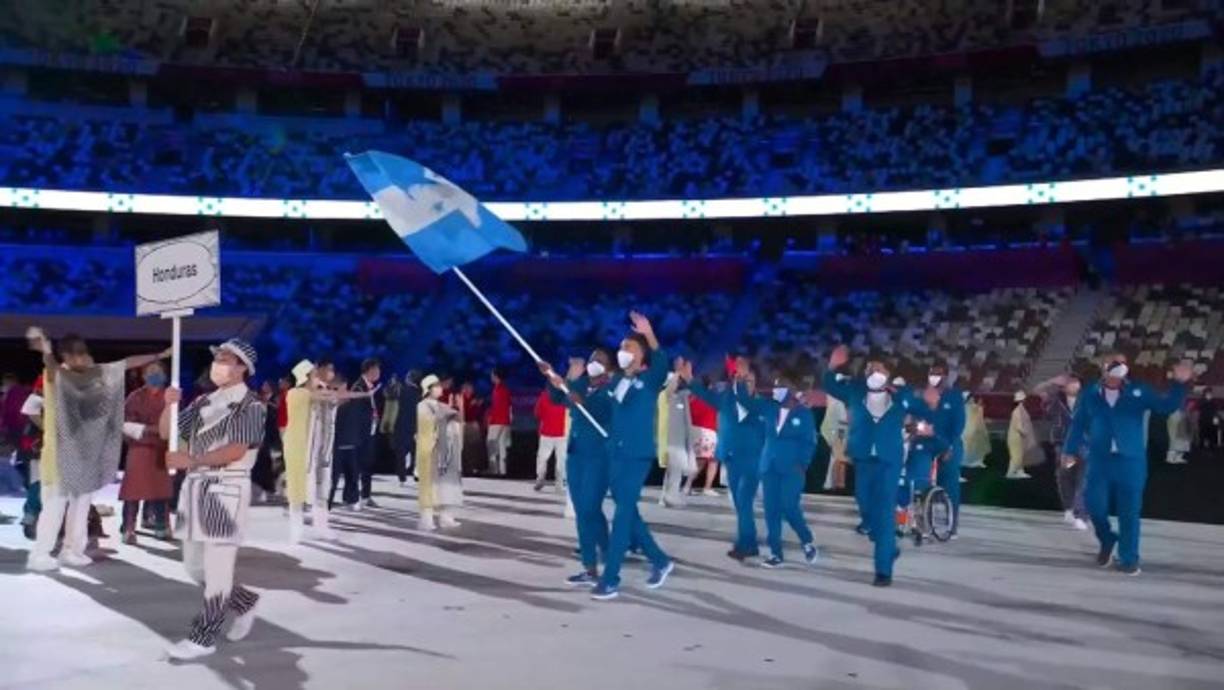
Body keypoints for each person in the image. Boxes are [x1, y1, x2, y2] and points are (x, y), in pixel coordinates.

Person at [25, 329, 169, 572]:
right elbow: (49, 368)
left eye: (84, 355)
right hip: (60, 456)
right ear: (66, 357)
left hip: (86, 456)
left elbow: (125, 363)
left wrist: (158, 355)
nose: (82, 360)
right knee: (55, 507)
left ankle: (72, 550)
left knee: (81, 507)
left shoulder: (94, 375)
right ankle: (40, 554)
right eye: (76, 356)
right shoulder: (56, 376)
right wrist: (46, 352)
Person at [159, 338, 267, 660]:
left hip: (226, 489)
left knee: (218, 570)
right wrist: (168, 404)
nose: (217, 364)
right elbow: (167, 433)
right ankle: (245, 602)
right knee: (194, 568)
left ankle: (203, 637)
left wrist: (190, 461)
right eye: (217, 358)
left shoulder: (253, 406)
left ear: (242, 368)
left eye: (224, 358)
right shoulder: (203, 401)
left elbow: (237, 449)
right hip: (194, 488)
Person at [571, 312, 674, 601]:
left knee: (622, 514)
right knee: (629, 513)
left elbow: (661, 359)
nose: (624, 351)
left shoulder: (651, 379)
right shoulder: (615, 382)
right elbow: (597, 408)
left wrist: (649, 333)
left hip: (637, 456)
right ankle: (660, 560)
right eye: (622, 347)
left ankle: (611, 578)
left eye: (631, 348)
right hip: (614, 454)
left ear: (642, 358)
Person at [1062, 355, 1191, 575]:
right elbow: (1078, 423)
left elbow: (1166, 406)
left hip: (1131, 461)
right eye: (1112, 368)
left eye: (1121, 368)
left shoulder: (1138, 391)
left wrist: (1179, 384)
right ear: (1105, 370)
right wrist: (1069, 451)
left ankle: (1129, 557)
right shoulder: (1091, 394)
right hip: (1100, 461)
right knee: (1095, 507)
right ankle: (1107, 539)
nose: (1116, 374)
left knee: (1129, 512)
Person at [822, 345, 923, 587]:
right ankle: (887, 545)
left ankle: (883, 570)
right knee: (865, 504)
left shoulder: (900, 394)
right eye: (869, 368)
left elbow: (914, 405)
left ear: (887, 372)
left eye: (878, 368)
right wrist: (832, 365)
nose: (872, 371)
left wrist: (894, 390)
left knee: (886, 511)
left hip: (889, 460)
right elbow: (830, 385)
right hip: (864, 457)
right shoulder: (855, 391)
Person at [542, 350, 615, 587]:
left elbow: (607, 412)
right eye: (592, 359)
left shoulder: (612, 389)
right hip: (576, 455)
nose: (594, 363)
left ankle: (600, 558)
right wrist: (553, 379)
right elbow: (559, 398)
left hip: (599, 455)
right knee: (585, 510)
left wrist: (583, 401)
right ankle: (596, 560)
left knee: (588, 509)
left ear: (608, 367)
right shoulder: (582, 384)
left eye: (600, 361)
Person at [684, 355, 766, 561]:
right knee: (739, 503)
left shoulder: (760, 404)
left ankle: (747, 544)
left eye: (748, 378)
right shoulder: (727, 397)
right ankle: (748, 542)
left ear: (755, 380)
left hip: (751, 460)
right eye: (739, 376)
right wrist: (690, 380)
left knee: (744, 502)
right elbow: (704, 394)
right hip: (731, 457)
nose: (743, 381)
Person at [736, 373, 819, 569]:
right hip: (768, 466)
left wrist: (802, 464)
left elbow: (810, 442)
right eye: (774, 386)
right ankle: (776, 553)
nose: (775, 390)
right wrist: (739, 382)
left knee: (789, 506)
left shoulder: (803, 413)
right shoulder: (769, 407)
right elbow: (746, 401)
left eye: (779, 386)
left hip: (792, 468)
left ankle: (806, 540)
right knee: (771, 510)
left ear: (790, 391)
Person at [119, 361, 172, 544]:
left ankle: (161, 525)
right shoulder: (135, 397)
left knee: (161, 489)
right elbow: (127, 425)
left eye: (158, 372)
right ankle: (128, 528)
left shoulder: (170, 396)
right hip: (139, 448)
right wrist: (154, 430)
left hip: (163, 448)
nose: (154, 375)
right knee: (133, 490)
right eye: (150, 372)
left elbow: (177, 423)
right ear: (143, 376)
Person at [1034, 374, 1088, 529]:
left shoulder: (1088, 399)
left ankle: (1081, 514)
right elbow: (1038, 392)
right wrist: (1050, 381)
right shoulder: (1055, 401)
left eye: (1076, 383)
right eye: (1071, 383)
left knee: (1084, 478)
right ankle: (1069, 508)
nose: (1074, 386)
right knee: (1066, 476)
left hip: (1084, 445)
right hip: (1064, 445)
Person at [416, 375, 464, 530]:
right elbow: (429, 425)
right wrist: (446, 414)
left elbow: (458, 418)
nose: (440, 388)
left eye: (439, 385)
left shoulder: (441, 405)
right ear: (428, 389)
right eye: (436, 386)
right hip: (429, 450)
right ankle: (426, 520)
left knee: (445, 486)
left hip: (445, 452)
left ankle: (446, 517)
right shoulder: (423, 405)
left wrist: (459, 407)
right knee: (428, 486)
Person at [925, 364, 966, 534]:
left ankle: (952, 525)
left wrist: (948, 446)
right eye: (932, 373)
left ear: (946, 376)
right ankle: (925, 523)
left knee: (950, 487)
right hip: (927, 445)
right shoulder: (925, 395)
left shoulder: (954, 397)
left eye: (938, 374)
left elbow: (959, 424)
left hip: (950, 446)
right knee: (923, 485)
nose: (934, 376)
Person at [657, 362, 697, 508]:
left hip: (679, 441)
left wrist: (688, 376)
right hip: (669, 441)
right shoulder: (664, 397)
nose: (677, 384)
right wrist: (678, 372)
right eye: (675, 382)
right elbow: (671, 388)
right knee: (674, 472)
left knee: (674, 471)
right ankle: (670, 497)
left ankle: (665, 497)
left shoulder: (681, 397)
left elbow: (693, 390)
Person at [351, 358, 383, 508]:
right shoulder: (358, 387)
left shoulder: (373, 388)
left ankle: (366, 495)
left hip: (370, 432)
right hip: (359, 433)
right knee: (358, 466)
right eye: (376, 370)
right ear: (368, 370)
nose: (378, 373)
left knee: (368, 465)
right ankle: (355, 497)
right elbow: (356, 412)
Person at [685, 384, 720, 497]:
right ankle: (706, 487)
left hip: (695, 431)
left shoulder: (691, 399)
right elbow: (717, 416)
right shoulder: (712, 400)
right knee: (712, 461)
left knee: (698, 461)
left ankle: (687, 485)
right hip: (709, 431)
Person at [533, 387, 569, 492]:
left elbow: (537, 413)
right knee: (561, 459)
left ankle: (540, 478)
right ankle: (559, 483)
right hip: (560, 433)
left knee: (542, 458)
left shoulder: (544, 396)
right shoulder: (566, 397)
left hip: (548, 433)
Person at [392, 371, 422, 485]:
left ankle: (402, 477)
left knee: (401, 453)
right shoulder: (420, 394)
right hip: (416, 426)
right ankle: (417, 473)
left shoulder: (402, 391)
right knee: (416, 452)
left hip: (401, 426)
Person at [486, 368, 512, 476]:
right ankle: (502, 470)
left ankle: (494, 469)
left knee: (491, 444)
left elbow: (497, 407)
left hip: (497, 421)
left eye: (492, 375)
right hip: (505, 422)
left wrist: (490, 419)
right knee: (502, 446)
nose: (491, 377)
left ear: (496, 376)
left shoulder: (498, 390)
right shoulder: (505, 389)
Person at [820, 394, 848, 491]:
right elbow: (842, 421)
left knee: (838, 457)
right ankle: (834, 483)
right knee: (838, 457)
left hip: (840, 430)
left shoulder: (840, 400)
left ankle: (833, 483)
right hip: (836, 430)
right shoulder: (838, 402)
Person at [1006, 391, 1037, 479]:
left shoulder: (1021, 410)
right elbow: (1018, 426)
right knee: (1017, 455)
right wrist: (1025, 433)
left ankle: (1018, 471)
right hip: (1016, 437)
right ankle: (1012, 472)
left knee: (1018, 455)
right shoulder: (1017, 411)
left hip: (1019, 437)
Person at [962, 393, 990, 469]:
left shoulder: (973, 406)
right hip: (968, 431)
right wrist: (979, 406)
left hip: (977, 430)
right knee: (968, 447)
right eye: (970, 398)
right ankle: (967, 461)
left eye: (973, 398)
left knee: (979, 445)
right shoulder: (964, 407)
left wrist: (980, 406)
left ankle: (978, 461)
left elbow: (979, 410)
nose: (972, 400)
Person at [1166, 393, 1192, 465]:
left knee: (1184, 442)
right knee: (1174, 441)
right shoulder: (1173, 405)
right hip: (1175, 422)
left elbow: (1185, 413)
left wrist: (1187, 409)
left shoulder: (1183, 404)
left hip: (1182, 424)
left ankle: (1178, 457)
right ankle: (1170, 458)